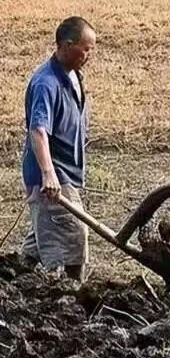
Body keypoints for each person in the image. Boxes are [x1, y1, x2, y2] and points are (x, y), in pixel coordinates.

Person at [20, 16, 96, 281]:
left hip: (66, 173)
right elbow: (38, 130)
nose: (89, 55)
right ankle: (73, 299)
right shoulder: (46, 82)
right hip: (53, 178)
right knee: (76, 236)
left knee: (38, 245)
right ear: (66, 44)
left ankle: (14, 282)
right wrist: (48, 173)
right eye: (85, 49)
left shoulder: (73, 75)